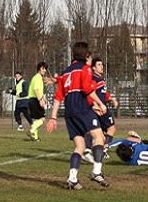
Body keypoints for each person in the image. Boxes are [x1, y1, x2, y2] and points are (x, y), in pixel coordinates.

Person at [45, 41, 109, 190]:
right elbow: (87, 89)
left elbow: (58, 97)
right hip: (82, 109)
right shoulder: (85, 69)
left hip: (69, 112)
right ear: (86, 55)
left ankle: (72, 178)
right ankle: (96, 171)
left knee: (80, 145)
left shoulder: (66, 72)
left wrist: (53, 117)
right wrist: (101, 104)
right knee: (99, 137)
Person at [83, 57, 119, 163]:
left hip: (101, 106)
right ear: (93, 68)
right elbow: (89, 93)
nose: (101, 66)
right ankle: (101, 150)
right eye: (99, 65)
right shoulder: (94, 79)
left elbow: (103, 93)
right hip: (100, 108)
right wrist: (95, 105)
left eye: (102, 64)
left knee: (99, 131)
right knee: (111, 129)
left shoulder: (100, 79)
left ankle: (91, 150)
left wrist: (112, 99)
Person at [27, 62, 48, 141]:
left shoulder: (37, 78)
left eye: (45, 69)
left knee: (36, 119)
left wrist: (43, 97)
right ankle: (31, 130)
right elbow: (36, 89)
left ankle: (35, 137)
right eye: (43, 68)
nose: (45, 70)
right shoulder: (38, 77)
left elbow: (39, 90)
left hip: (32, 99)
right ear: (39, 69)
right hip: (35, 100)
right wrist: (40, 100)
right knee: (42, 119)